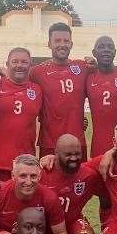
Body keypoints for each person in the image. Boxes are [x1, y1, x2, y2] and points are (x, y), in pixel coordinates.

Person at [35, 134, 105, 234]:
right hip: (46, 227)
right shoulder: (43, 172)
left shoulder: (89, 175)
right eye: (68, 155)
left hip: (72, 221)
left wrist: (108, 222)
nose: (74, 158)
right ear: (56, 153)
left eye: (77, 153)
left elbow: (106, 198)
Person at [85, 36, 117, 228]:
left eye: (110, 47)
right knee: (104, 197)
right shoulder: (88, 76)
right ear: (94, 52)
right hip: (99, 148)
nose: (106, 50)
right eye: (101, 47)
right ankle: (107, 233)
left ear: (115, 51)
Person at [0, 48, 43, 182]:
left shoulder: (37, 90)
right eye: (15, 61)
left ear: (31, 65)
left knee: (22, 203)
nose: (19, 65)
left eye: (24, 62)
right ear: (7, 64)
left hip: (25, 164)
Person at [30, 23, 89, 158]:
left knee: (80, 179)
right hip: (50, 143)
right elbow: (14, 77)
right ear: (49, 44)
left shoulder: (83, 67)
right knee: (49, 179)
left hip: (77, 142)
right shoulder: (37, 72)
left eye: (66, 41)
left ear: (71, 44)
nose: (62, 44)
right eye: (57, 41)